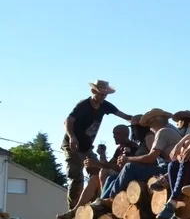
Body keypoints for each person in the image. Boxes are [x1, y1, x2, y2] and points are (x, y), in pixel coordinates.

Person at [60, 80, 133, 209]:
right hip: (73, 145)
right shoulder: (83, 105)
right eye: (100, 94)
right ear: (93, 91)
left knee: (97, 173)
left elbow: (125, 116)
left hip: (87, 147)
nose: (102, 97)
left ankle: (92, 206)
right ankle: (72, 209)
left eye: (104, 95)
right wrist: (72, 137)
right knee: (76, 176)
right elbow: (68, 120)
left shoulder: (105, 105)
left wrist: (141, 121)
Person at [101, 109, 180, 200]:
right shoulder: (170, 130)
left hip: (167, 169)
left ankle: (110, 199)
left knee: (129, 167)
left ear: (157, 120)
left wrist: (128, 159)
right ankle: (103, 199)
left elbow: (151, 158)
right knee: (112, 178)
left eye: (150, 123)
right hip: (169, 168)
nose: (149, 126)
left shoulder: (162, 132)